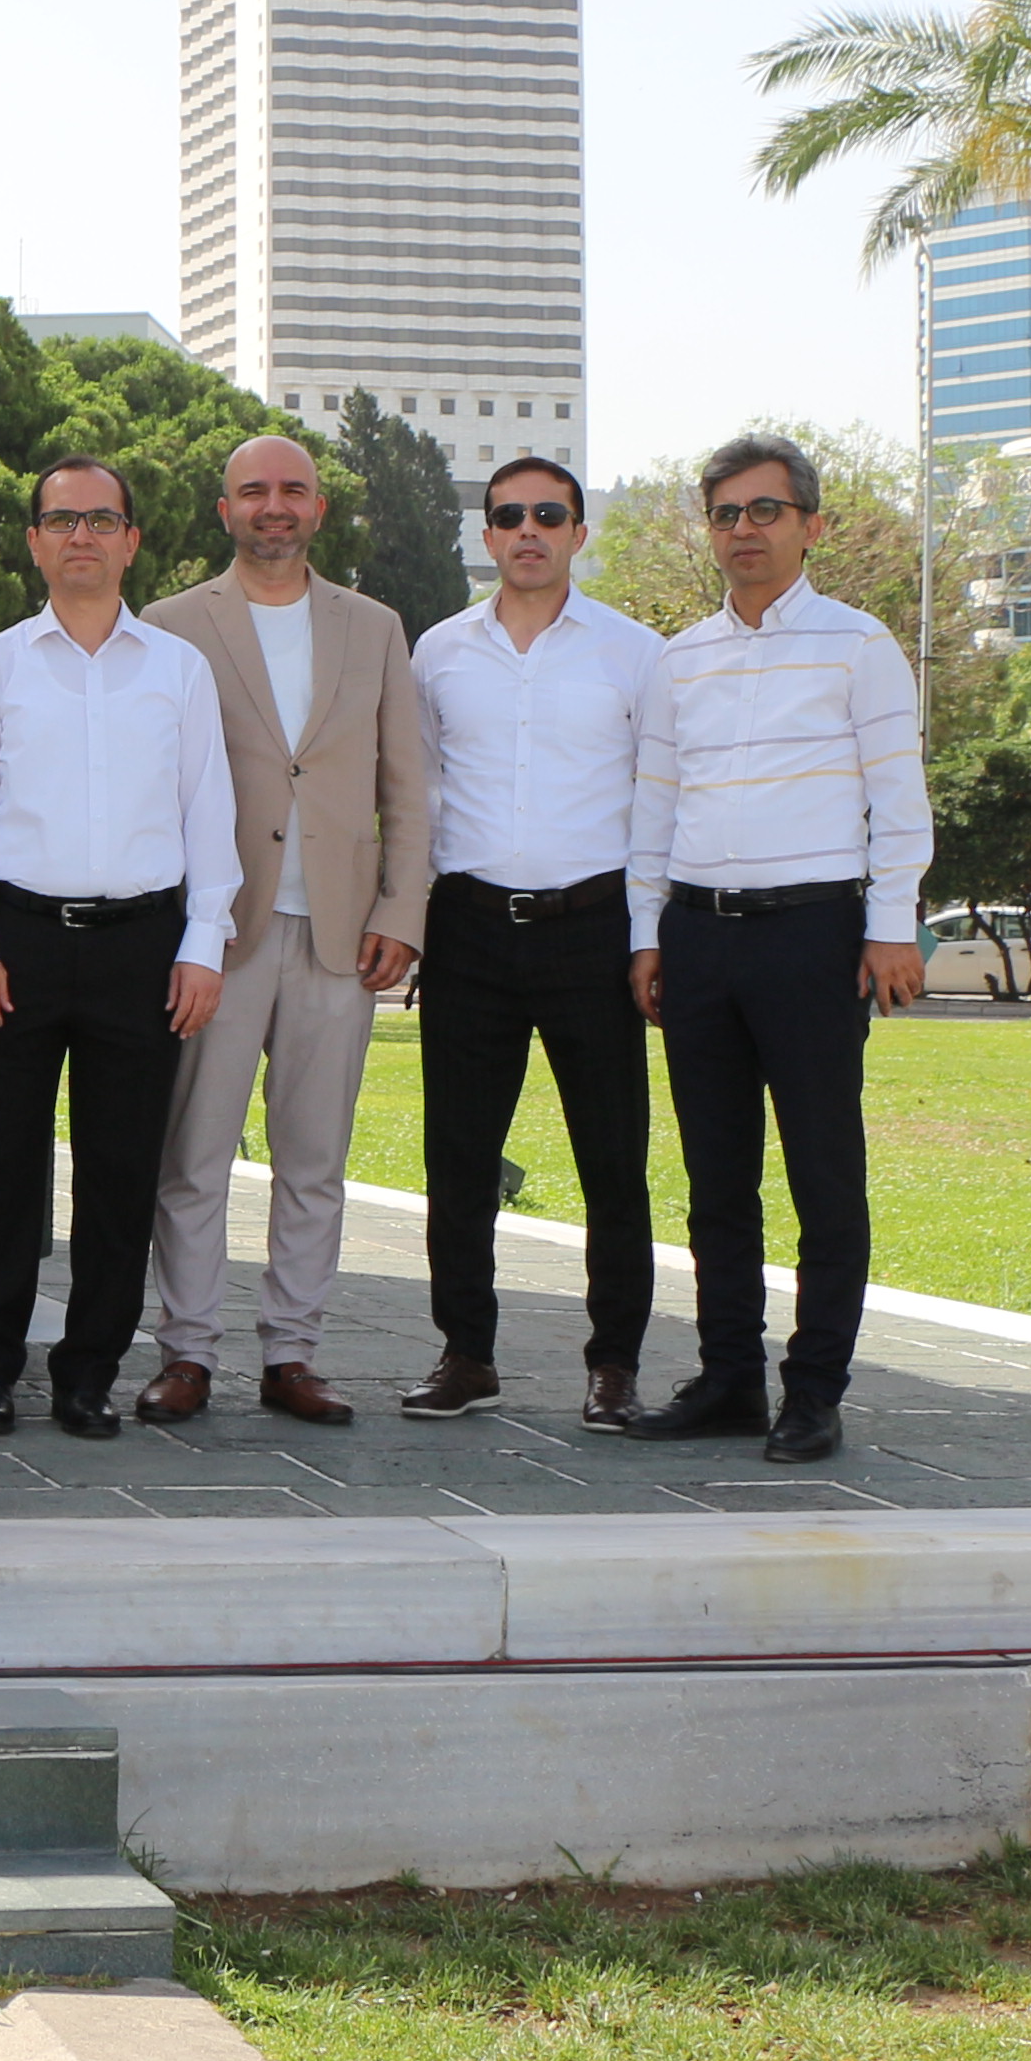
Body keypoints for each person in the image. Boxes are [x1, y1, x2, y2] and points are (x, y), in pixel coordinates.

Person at [623, 432, 932, 1466]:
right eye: (726, 514)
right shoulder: (678, 658)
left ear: (811, 525)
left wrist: (892, 924)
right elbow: (653, 806)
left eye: (764, 512)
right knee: (715, 1179)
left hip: (816, 937)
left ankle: (815, 1391)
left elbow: (898, 798)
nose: (744, 531)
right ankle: (726, 1379)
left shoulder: (859, 646)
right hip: (698, 938)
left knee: (823, 1174)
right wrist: (645, 935)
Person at [0, 457, 238, 1441]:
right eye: (61, 519)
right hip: (14, 942)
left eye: (102, 519)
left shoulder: (178, 670)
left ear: (131, 540)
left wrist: (203, 947)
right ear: (34, 541)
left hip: (141, 948)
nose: (82, 536)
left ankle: (89, 1373)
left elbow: (210, 815)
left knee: (120, 1173)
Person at [138, 434, 431, 1426]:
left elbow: (408, 785)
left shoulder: (376, 627)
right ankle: (186, 1351)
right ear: (223, 511)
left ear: (319, 509)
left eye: (293, 490)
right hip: (218, 933)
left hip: (342, 937)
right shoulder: (172, 625)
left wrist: (402, 911)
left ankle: (293, 1354)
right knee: (194, 1155)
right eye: (253, 491)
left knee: (315, 1160)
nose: (274, 506)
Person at [402, 455, 670, 1428]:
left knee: (613, 1161)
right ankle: (465, 1353)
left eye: (548, 514)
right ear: (486, 536)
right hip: (468, 928)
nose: (528, 530)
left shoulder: (636, 654)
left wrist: (649, 939)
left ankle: (615, 1365)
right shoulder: (437, 653)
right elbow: (419, 796)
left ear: (578, 533)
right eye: (508, 515)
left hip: (593, 932)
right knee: (459, 1162)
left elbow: (657, 805)